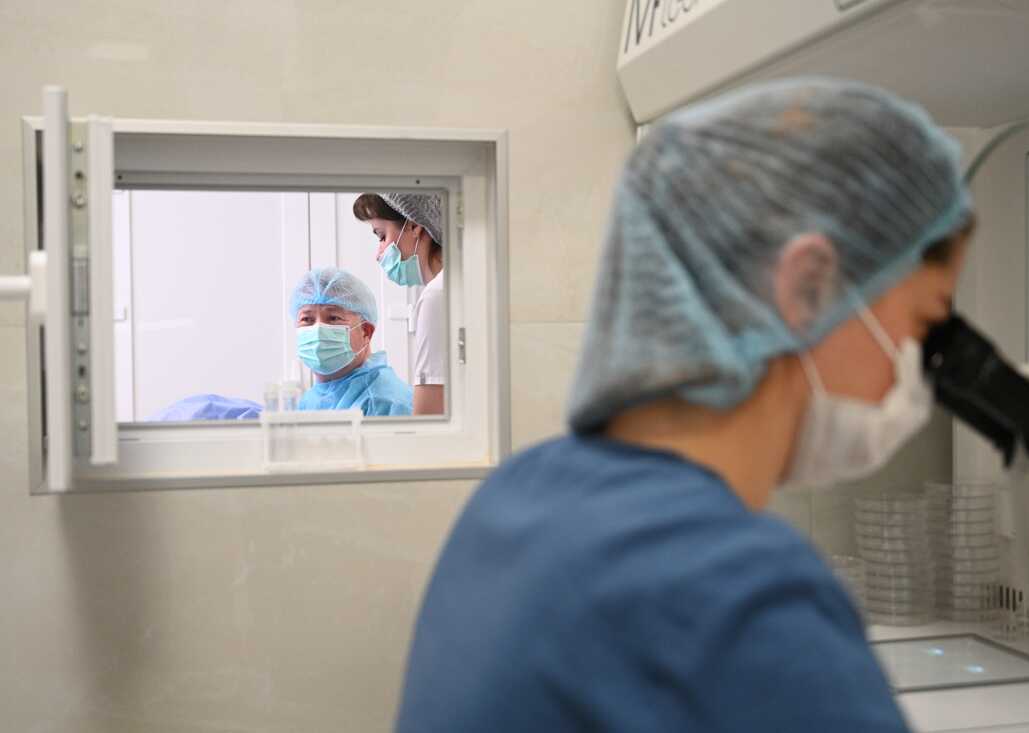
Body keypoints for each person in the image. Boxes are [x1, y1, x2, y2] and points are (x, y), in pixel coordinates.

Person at [396, 78, 975, 731]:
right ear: (809, 286)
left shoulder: (511, 503)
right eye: (923, 325)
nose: (916, 373)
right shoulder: (745, 596)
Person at [353, 193, 446, 416]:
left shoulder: (438, 295)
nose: (379, 254)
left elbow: (429, 417)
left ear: (414, 225)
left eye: (382, 236)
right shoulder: (452, 286)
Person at [290, 267, 412, 416]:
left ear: (366, 331)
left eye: (333, 318)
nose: (318, 329)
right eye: (306, 319)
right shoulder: (311, 399)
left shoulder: (384, 403)